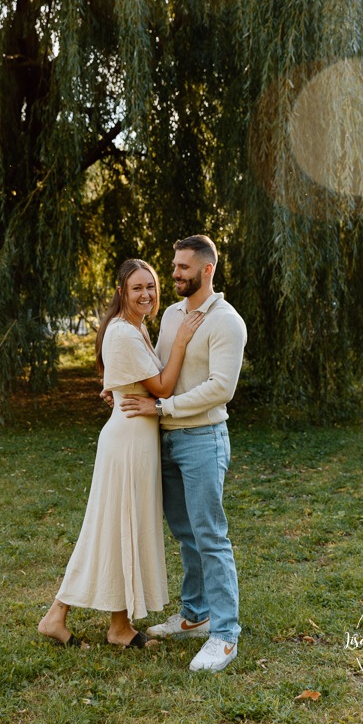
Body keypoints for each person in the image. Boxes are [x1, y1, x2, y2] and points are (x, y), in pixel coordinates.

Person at [38, 258, 204, 649]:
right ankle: (57, 614)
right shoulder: (124, 334)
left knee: (121, 528)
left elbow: (138, 382)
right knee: (109, 527)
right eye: (137, 288)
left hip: (138, 437)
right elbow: (162, 387)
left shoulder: (135, 328)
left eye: (151, 286)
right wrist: (180, 340)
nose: (146, 294)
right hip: (127, 441)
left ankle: (118, 626)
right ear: (122, 293)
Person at [120, 235, 247, 672]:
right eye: (173, 266)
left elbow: (220, 388)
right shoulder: (172, 314)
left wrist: (163, 408)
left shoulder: (227, 322)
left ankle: (225, 635)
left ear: (207, 270)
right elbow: (159, 369)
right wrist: (123, 384)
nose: (172, 274)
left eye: (182, 268)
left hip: (202, 440)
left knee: (210, 535)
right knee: (185, 532)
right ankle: (194, 614)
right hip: (168, 440)